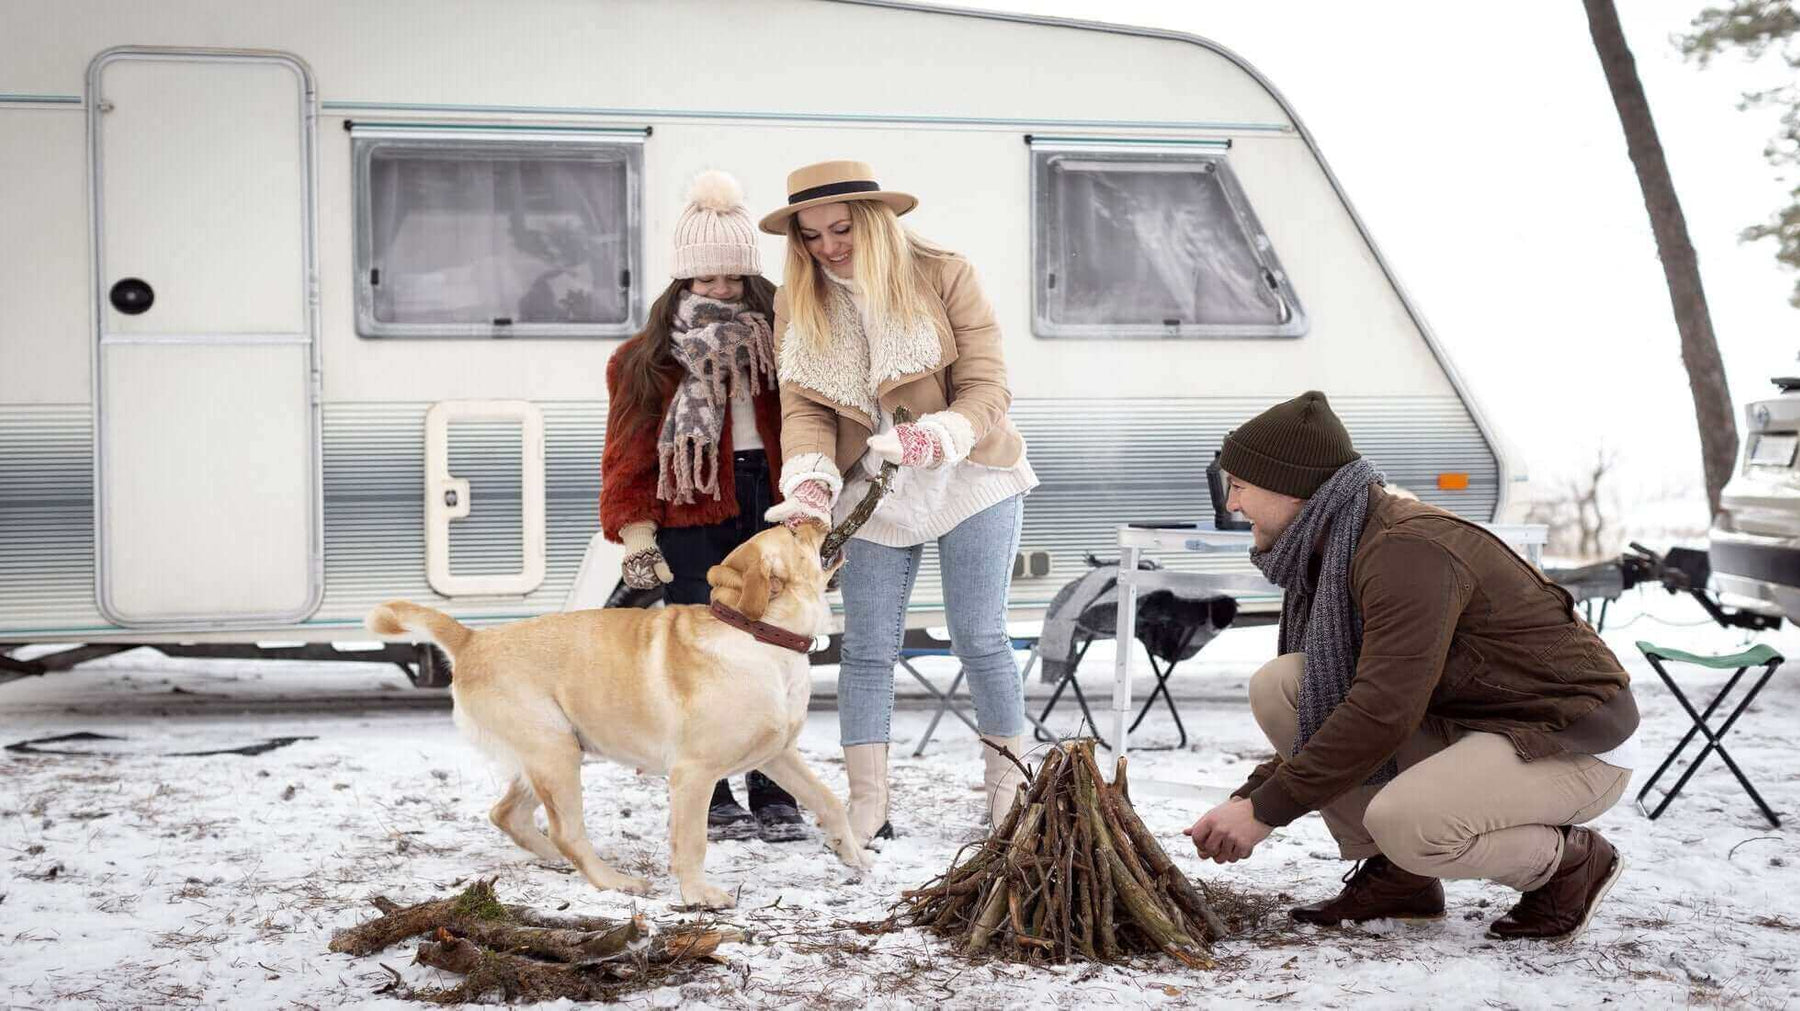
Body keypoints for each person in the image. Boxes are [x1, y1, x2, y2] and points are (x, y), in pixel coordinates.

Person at [1184, 391, 1639, 941]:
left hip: (1568, 738)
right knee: (1283, 685)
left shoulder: (1405, 551)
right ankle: (1400, 877)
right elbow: (1334, 704)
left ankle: (1569, 863)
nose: (1232, 504)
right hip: (1471, 722)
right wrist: (1250, 798)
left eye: (1240, 487)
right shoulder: (1344, 542)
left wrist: (1264, 812)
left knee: (1408, 820)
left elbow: (1381, 710)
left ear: (1291, 488)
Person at [757, 160, 1039, 842]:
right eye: (811, 234)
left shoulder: (944, 273)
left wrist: (934, 436)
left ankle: (1010, 793)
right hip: (874, 490)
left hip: (969, 474)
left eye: (841, 228)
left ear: (875, 219)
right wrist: (813, 482)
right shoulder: (802, 296)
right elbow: (805, 406)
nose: (828, 246)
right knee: (866, 648)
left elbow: (987, 385)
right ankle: (868, 803)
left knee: (979, 634)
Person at [599, 170, 804, 843]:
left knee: (774, 647)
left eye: (732, 278)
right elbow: (628, 455)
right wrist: (638, 540)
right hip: (689, 509)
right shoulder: (644, 358)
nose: (719, 290)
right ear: (682, 280)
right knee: (701, 656)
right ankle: (710, 788)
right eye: (704, 278)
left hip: (768, 504)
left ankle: (774, 784)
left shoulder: (785, 338)